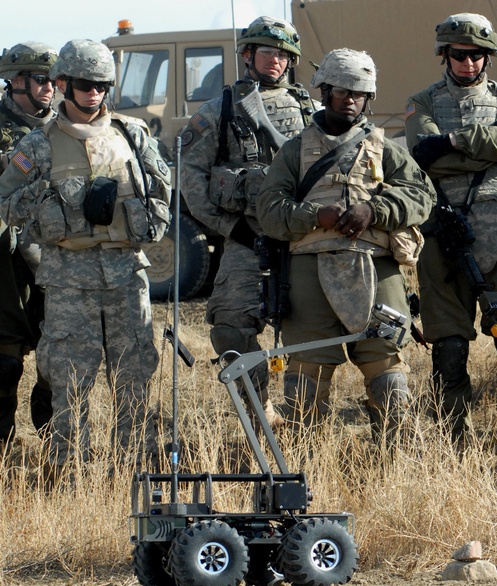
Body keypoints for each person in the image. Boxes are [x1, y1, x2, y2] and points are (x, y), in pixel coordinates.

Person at [0, 39, 172, 476]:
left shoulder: (132, 135)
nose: (93, 93)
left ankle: (135, 472)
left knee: (134, 376)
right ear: (63, 85)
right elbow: (5, 203)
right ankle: (67, 472)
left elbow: (162, 195)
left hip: (126, 274)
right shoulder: (38, 145)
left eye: (100, 84)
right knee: (69, 380)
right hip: (67, 277)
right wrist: (49, 198)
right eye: (82, 84)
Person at [257, 49, 434, 443]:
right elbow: (269, 211)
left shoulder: (385, 148)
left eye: (359, 93)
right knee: (306, 376)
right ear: (325, 92)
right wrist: (314, 217)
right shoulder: (294, 151)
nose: (351, 100)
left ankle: (395, 462)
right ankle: (305, 467)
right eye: (341, 92)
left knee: (388, 372)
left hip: (376, 267)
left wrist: (374, 211)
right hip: (306, 273)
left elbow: (422, 195)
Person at [405, 13, 497, 449]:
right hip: (442, 226)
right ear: (445, 55)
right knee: (448, 349)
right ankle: (455, 444)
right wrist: (486, 148)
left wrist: (454, 142)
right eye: (460, 55)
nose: (468, 63)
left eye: (477, 55)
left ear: (489, 56)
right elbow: (423, 153)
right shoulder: (422, 102)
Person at [179, 16, 318, 426]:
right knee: (229, 327)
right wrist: (231, 231)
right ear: (247, 55)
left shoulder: (312, 110)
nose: (276, 61)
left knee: (311, 329)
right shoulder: (219, 110)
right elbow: (192, 181)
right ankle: (261, 412)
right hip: (248, 237)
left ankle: (309, 415)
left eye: (284, 55)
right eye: (268, 52)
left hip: (306, 236)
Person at [0, 42, 57, 447]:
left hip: (54, 261)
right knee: (4, 365)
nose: (50, 88)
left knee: (55, 365)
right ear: (16, 81)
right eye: (41, 79)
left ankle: (54, 457)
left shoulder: (66, 128)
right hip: (5, 267)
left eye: (55, 80)